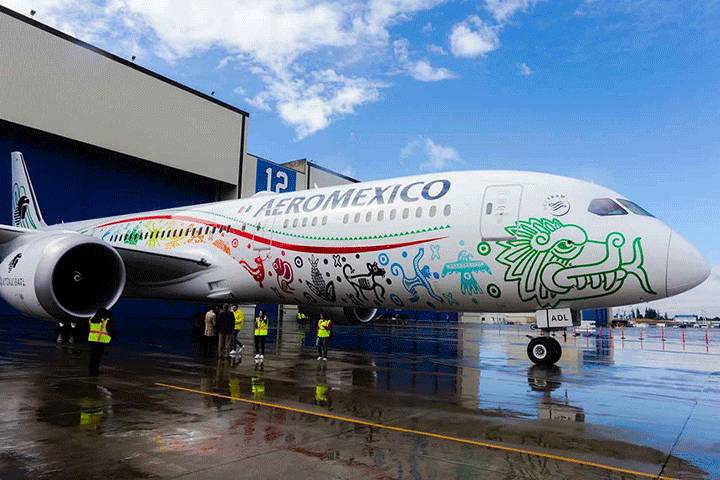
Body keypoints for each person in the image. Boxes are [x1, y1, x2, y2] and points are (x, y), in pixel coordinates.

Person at [87, 307, 113, 376]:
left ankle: (91, 370)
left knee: (93, 356)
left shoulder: (92, 320)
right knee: (97, 357)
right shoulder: (105, 321)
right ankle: (95, 370)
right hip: (100, 341)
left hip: (92, 340)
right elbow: (109, 330)